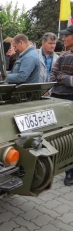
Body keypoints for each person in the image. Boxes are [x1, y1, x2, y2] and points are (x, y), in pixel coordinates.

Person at [48, 24, 73, 186]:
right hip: (57, 100)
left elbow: (61, 77)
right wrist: (64, 78)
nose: (63, 38)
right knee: (57, 135)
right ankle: (56, 165)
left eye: (66, 35)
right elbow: (52, 75)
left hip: (70, 102)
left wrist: (61, 77)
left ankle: (70, 171)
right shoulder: (63, 54)